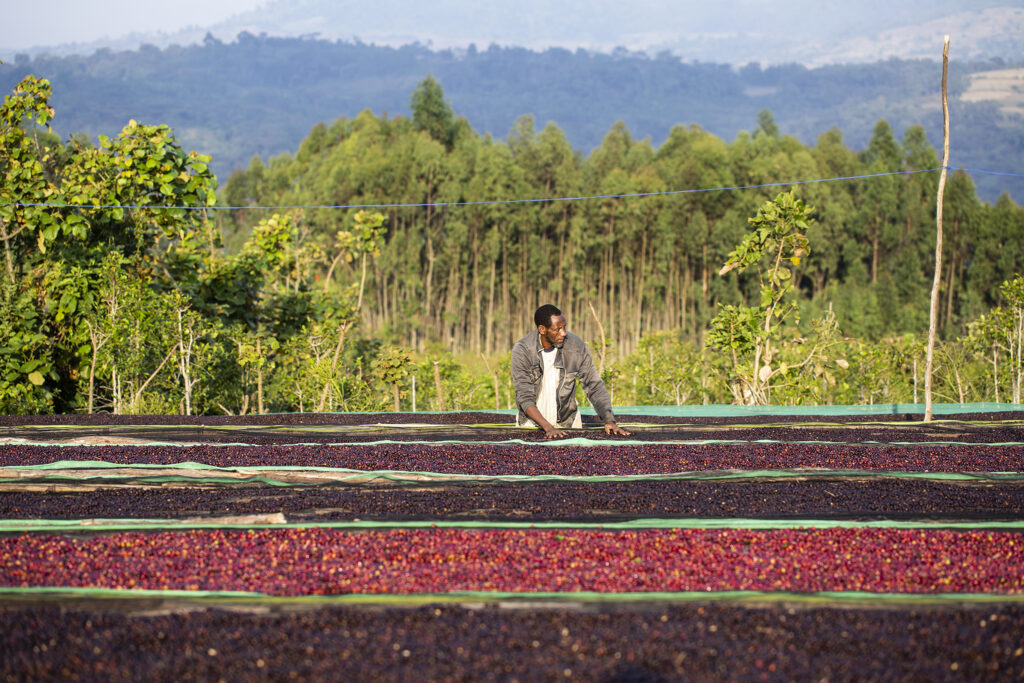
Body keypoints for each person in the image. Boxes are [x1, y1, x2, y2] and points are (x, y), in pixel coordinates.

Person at [511, 304, 632, 439]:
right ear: (542, 329)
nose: (563, 333)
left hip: (567, 423)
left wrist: (609, 420)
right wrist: (548, 428)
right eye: (557, 329)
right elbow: (524, 397)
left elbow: (593, 384)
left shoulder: (575, 346)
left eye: (564, 327)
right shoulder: (523, 351)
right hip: (531, 425)